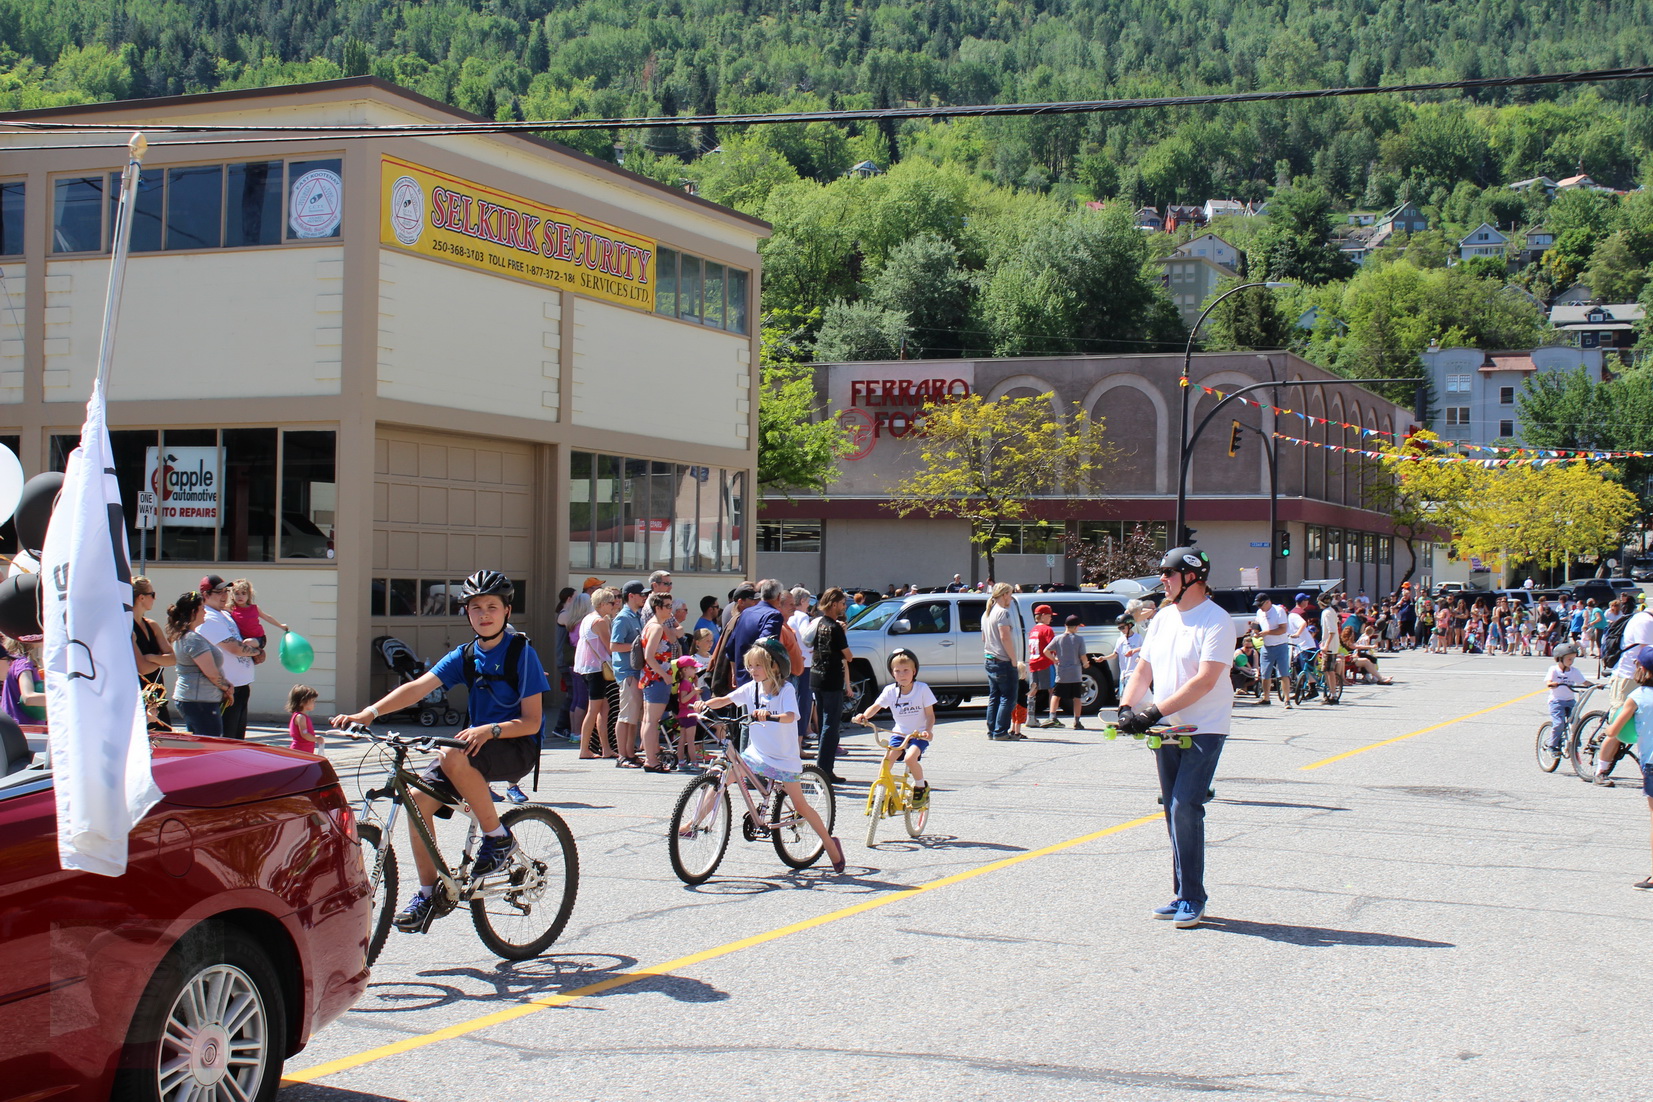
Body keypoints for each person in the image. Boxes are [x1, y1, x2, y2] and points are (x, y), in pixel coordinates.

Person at [333, 570, 550, 935]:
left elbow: (531, 722)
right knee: (417, 803)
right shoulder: (466, 655)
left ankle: (497, 837)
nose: (484, 614)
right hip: (474, 747)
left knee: (451, 753)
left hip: (516, 745)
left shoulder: (520, 653)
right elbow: (418, 687)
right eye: (476, 607)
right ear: (467, 613)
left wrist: (490, 729)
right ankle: (429, 892)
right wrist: (368, 713)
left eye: (492, 607)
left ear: (507, 611)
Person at [1118, 546, 1235, 929]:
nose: (1163, 579)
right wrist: (1127, 707)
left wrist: (1152, 712)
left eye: (1169, 573)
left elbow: (1205, 680)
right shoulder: (1164, 618)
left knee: (1186, 805)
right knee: (1171, 807)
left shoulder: (1216, 620)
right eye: (1163, 573)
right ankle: (1181, 893)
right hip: (1168, 728)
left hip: (1204, 727)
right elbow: (1143, 670)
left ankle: (1194, 898)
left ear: (1192, 577)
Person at [698, 643, 845, 873]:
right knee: (722, 779)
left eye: (758, 665)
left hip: (783, 758)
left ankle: (830, 843)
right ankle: (693, 823)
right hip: (756, 753)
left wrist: (770, 715)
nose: (753, 670)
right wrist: (704, 704)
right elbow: (725, 699)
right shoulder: (751, 688)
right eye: (750, 665)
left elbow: (791, 716)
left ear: (774, 667)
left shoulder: (785, 690)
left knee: (800, 805)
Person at [854, 648, 937, 811]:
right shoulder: (890, 691)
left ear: (914, 671)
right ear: (892, 673)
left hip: (918, 734)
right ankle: (880, 792)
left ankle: (921, 787)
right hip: (899, 733)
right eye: (897, 671)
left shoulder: (922, 689)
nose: (902, 674)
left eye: (906, 670)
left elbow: (930, 715)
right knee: (887, 760)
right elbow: (876, 706)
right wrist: (864, 716)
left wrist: (928, 730)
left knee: (910, 758)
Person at [196, 574, 260, 739]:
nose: (225, 595)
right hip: (225, 690)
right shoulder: (208, 617)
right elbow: (234, 648)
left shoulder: (224, 614)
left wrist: (259, 643)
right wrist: (258, 651)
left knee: (237, 740)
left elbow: (243, 639)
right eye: (219, 592)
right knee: (226, 740)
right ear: (206, 595)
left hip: (240, 687)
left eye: (226, 591)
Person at [163, 593, 232, 737]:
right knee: (210, 743)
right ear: (193, 612)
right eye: (202, 608)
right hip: (199, 701)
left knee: (202, 741)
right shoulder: (192, 639)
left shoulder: (187, 636)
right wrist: (227, 688)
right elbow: (211, 673)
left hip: (199, 700)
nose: (205, 612)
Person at [809, 587, 853, 784]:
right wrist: (843, 633)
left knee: (824, 723)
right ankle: (825, 770)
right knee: (831, 725)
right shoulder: (835, 628)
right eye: (842, 603)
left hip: (816, 677)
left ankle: (822, 768)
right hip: (831, 679)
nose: (844, 607)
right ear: (834, 604)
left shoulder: (819, 623)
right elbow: (848, 655)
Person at [636, 591, 678, 773]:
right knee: (652, 721)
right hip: (656, 678)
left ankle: (651, 756)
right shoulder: (656, 627)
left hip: (649, 678)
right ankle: (651, 760)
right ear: (657, 607)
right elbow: (649, 656)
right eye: (667, 606)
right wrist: (665, 675)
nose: (670, 610)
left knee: (648, 720)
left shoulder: (650, 625)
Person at [575, 587, 618, 760]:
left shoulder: (587, 618)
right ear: (603, 604)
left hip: (589, 668)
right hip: (597, 669)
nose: (614, 605)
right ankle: (584, 749)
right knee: (594, 710)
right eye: (611, 602)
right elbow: (610, 647)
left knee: (603, 709)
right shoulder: (600, 621)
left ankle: (605, 748)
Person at [609, 580, 648, 767]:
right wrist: (637, 646)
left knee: (633, 717)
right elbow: (614, 645)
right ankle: (622, 756)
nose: (644, 598)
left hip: (636, 671)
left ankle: (630, 753)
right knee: (626, 716)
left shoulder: (637, 616)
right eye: (641, 595)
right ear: (631, 596)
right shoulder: (623, 618)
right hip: (627, 672)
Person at [131, 576, 175, 729]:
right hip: (137, 696)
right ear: (141, 597)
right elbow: (142, 668)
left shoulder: (151, 625)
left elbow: (173, 659)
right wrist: (160, 661)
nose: (155, 598)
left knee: (165, 736)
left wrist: (150, 657)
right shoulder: (126, 626)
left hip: (156, 696)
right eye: (152, 594)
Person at [982, 582, 1020, 741]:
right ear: (1004, 595)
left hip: (989, 658)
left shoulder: (987, 613)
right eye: (1010, 594)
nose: (1011, 598)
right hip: (1003, 660)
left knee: (994, 697)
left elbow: (983, 638)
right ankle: (1001, 732)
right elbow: (1005, 637)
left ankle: (992, 731)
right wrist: (1013, 659)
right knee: (1008, 697)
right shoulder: (1003, 613)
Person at [1047, 614, 1093, 730]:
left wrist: (1054, 659)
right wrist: (1086, 664)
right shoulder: (1079, 639)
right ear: (1076, 627)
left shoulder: (1058, 639)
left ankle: (1052, 717)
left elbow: (1045, 650)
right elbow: (1082, 656)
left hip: (1062, 673)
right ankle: (1077, 721)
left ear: (1065, 625)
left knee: (1056, 695)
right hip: (1075, 673)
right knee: (1077, 698)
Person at [227, 578, 289, 664]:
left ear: (249, 595)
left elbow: (267, 617)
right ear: (232, 596)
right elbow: (216, 606)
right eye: (237, 594)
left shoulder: (254, 608)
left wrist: (280, 625)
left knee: (247, 643)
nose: (240, 596)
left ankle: (258, 653)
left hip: (258, 638)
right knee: (242, 643)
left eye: (243, 593)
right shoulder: (231, 608)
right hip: (242, 637)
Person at [1542, 643, 1589, 754]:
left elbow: (1584, 682)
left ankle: (1575, 740)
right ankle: (1552, 746)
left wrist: (1595, 685)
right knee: (1559, 723)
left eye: (1573, 659)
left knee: (1577, 722)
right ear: (1559, 658)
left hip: (1570, 701)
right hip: (1556, 701)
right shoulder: (1554, 670)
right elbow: (1548, 682)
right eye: (1569, 659)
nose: (1571, 661)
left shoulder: (1574, 671)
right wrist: (1552, 683)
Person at [1252, 592, 1291, 709]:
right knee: (1265, 673)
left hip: (1280, 645)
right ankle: (1266, 698)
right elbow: (1255, 624)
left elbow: (1283, 629)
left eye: (1261, 605)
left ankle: (1287, 699)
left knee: (1283, 673)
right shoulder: (1259, 612)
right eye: (1258, 606)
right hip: (1267, 646)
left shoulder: (1278, 611)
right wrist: (1255, 632)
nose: (1260, 608)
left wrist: (1267, 632)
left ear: (1268, 602)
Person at [1026, 604, 1057, 727]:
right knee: (1052, 689)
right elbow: (1052, 646)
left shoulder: (1033, 630)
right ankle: (1052, 717)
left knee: (1033, 689)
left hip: (1033, 662)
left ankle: (1030, 716)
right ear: (1043, 616)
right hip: (1045, 662)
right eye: (1049, 616)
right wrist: (1056, 658)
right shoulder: (1047, 630)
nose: (1051, 619)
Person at [288, 684, 322, 753]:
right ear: (302, 702)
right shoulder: (301, 717)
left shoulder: (301, 716)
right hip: (300, 750)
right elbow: (304, 734)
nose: (314, 703)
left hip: (305, 749)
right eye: (312, 700)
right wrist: (316, 739)